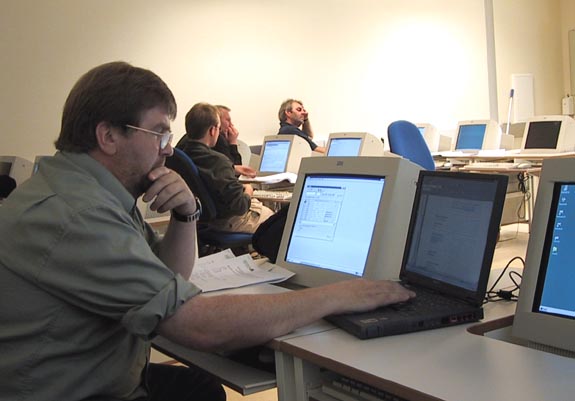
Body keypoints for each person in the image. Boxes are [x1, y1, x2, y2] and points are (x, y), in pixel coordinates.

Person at [0, 61, 415, 401]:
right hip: (72, 391)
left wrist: (185, 214)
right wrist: (338, 295)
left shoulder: (85, 189)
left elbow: (170, 276)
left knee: (200, 388)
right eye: (159, 132)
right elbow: (198, 326)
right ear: (108, 136)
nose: (168, 147)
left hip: (90, 377)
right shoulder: (79, 214)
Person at [178, 102, 273, 233]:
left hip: (199, 218)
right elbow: (240, 206)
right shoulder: (218, 161)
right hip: (226, 221)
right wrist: (248, 190)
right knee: (275, 221)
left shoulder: (181, 156)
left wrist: (232, 169)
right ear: (212, 130)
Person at [214, 105, 257, 178]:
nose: (231, 124)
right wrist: (233, 143)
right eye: (228, 120)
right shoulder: (219, 140)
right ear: (218, 122)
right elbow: (235, 173)